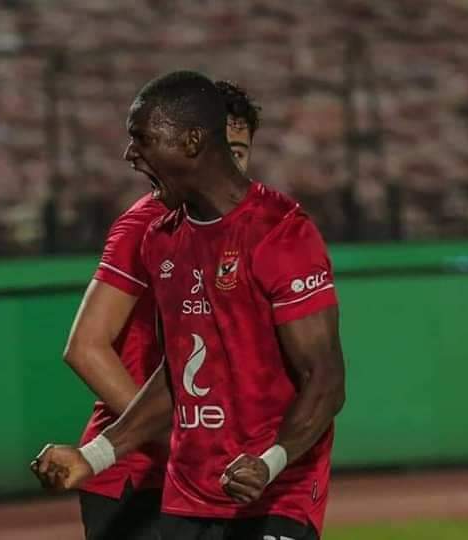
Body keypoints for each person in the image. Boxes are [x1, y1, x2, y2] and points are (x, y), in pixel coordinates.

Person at [33, 70, 343, 539]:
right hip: (184, 487)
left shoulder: (281, 232)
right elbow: (180, 372)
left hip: (273, 491)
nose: (130, 153)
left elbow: (326, 378)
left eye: (142, 139)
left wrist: (269, 461)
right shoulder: (159, 237)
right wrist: (96, 455)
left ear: (193, 142)